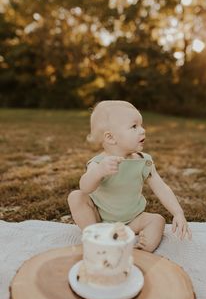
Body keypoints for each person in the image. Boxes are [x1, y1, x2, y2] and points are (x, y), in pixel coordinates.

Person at [68, 100, 192, 252]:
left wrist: (178, 212)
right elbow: (85, 187)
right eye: (134, 126)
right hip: (99, 218)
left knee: (157, 220)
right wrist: (99, 172)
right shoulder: (99, 163)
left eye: (141, 125)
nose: (142, 130)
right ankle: (96, 234)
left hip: (133, 220)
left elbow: (161, 188)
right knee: (76, 197)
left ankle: (142, 250)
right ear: (111, 138)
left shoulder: (143, 161)